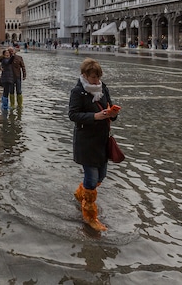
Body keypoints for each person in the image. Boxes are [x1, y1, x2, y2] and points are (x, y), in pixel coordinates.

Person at [69, 58, 120, 232]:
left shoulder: (103, 88)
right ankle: (90, 216)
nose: (96, 81)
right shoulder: (78, 92)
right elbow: (73, 115)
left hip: (102, 140)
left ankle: (80, 194)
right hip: (86, 141)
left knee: (101, 176)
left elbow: (108, 106)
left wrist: (112, 114)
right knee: (91, 178)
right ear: (84, 75)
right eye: (93, 78)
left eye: (98, 77)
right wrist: (95, 117)